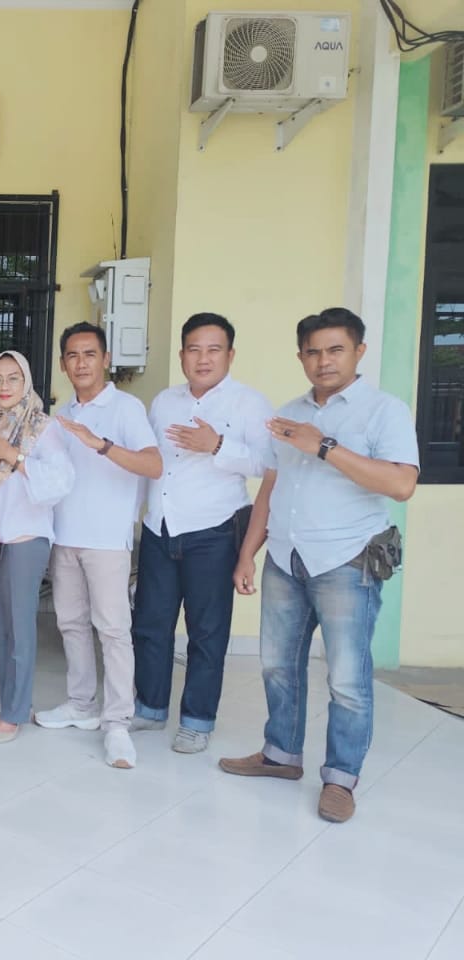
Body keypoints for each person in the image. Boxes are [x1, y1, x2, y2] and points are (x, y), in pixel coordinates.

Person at [221, 307, 419, 823]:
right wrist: (248, 552)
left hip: (347, 561)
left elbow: (401, 484)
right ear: (301, 356)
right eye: (313, 351)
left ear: (359, 351)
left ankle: (340, 779)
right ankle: (281, 755)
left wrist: (326, 447)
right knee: (276, 665)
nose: (323, 360)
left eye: (335, 350)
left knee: (347, 679)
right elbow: (271, 486)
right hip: (286, 559)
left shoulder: (384, 411)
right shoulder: (289, 412)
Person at [131, 313, 273, 754]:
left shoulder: (249, 403)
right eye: (194, 349)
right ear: (182, 355)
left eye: (214, 349)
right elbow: (151, 460)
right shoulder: (164, 401)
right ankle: (150, 707)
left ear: (230, 355)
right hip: (160, 527)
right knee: (150, 624)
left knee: (207, 632)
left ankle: (196, 720)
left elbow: (267, 465)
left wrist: (217, 446)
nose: (203, 358)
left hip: (213, 533)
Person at [35, 322, 161, 769]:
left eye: (90, 354)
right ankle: (81, 705)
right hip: (65, 535)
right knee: (70, 623)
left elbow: (153, 464)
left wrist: (101, 445)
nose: (81, 362)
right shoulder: (61, 413)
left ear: (105, 359)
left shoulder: (126, 408)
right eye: (72, 355)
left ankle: (118, 723)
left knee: (113, 630)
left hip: (107, 539)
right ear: (63, 363)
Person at [0, 350, 73, 744]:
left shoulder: (43, 428)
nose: (4, 387)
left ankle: (16, 712)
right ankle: (9, 704)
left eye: (13, 378)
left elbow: (59, 482)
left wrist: (14, 456)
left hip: (24, 540)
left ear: (26, 383)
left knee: (20, 629)